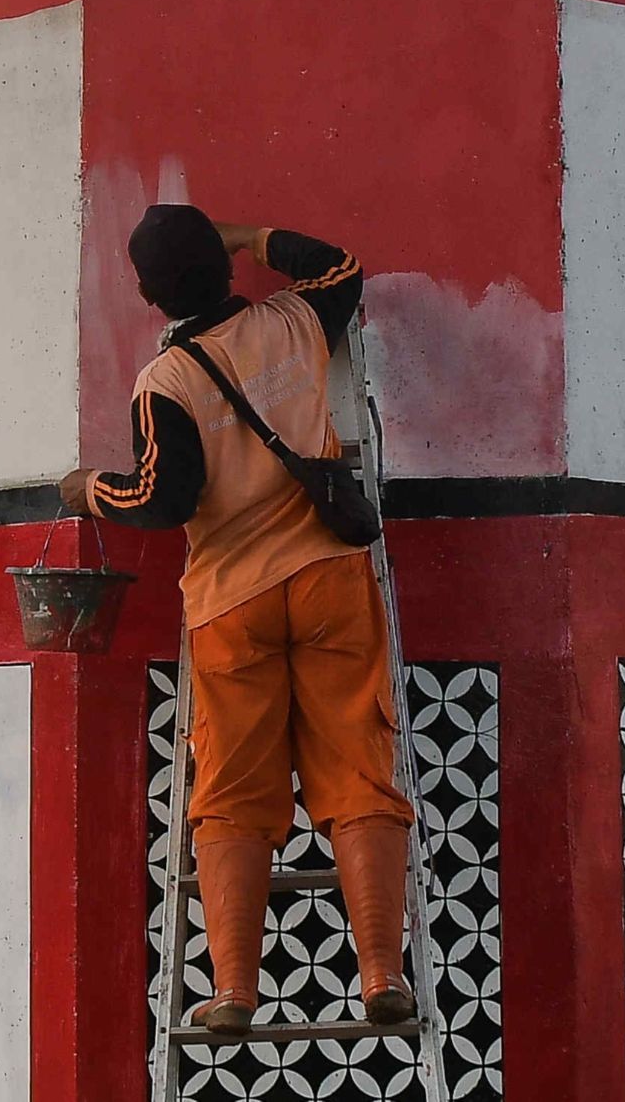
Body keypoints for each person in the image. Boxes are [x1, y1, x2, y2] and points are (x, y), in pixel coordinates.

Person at [59, 204, 415, 1038]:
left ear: (151, 295)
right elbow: (340, 264)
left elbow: (161, 499)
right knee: (361, 765)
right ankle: (381, 971)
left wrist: (87, 490)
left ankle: (234, 991)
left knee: (230, 793)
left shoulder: (166, 383)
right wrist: (254, 236)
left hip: (232, 604)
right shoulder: (295, 320)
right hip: (331, 577)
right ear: (222, 268)